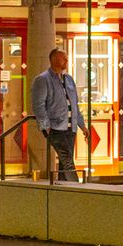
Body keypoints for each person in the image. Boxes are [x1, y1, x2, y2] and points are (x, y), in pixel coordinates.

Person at [31, 48, 88, 182]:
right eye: (64, 58)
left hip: (70, 127)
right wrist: (46, 126)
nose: (67, 60)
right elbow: (38, 105)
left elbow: (74, 104)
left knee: (65, 161)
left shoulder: (69, 79)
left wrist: (82, 125)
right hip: (55, 127)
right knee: (67, 160)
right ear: (54, 59)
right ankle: (75, 187)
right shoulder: (43, 79)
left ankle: (64, 187)